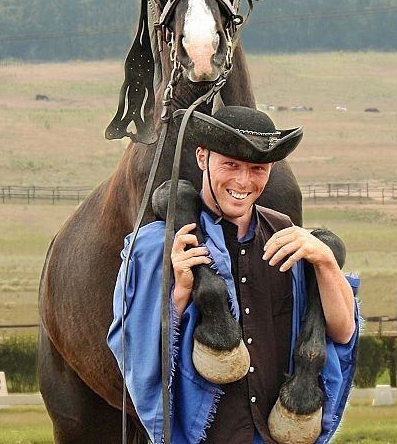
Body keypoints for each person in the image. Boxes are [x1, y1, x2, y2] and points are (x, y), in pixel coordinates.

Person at [107, 106, 360, 444]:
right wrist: (180, 292)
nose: (243, 181)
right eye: (230, 165)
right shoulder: (156, 247)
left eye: (257, 168)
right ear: (201, 158)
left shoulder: (287, 236)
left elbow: (342, 333)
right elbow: (135, 350)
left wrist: (326, 263)